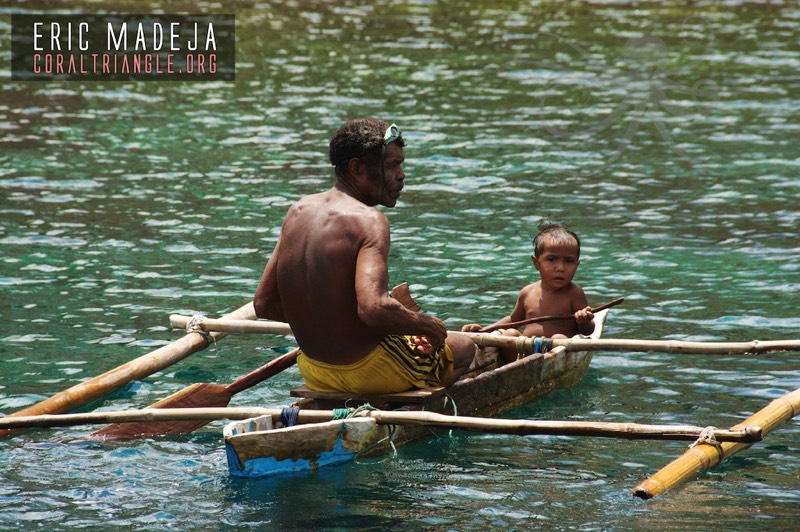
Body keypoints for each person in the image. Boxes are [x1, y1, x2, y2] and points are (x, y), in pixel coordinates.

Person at [253, 117, 476, 394]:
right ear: (357, 168)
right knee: (465, 347)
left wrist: (329, 324)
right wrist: (429, 326)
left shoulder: (296, 212)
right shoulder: (370, 220)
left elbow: (263, 303)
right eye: (393, 164)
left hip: (314, 370)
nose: (402, 174)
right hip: (372, 373)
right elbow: (373, 308)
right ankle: (411, 402)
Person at [461, 220, 594, 364]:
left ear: (577, 265)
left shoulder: (574, 293)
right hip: (525, 353)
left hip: (556, 355)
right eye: (551, 259)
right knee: (509, 334)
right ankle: (516, 368)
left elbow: (587, 331)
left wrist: (584, 321)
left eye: (569, 261)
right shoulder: (527, 292)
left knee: (558, 338)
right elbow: (512, 321)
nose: (560, 267)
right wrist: (484, 330)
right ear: (536, 263)